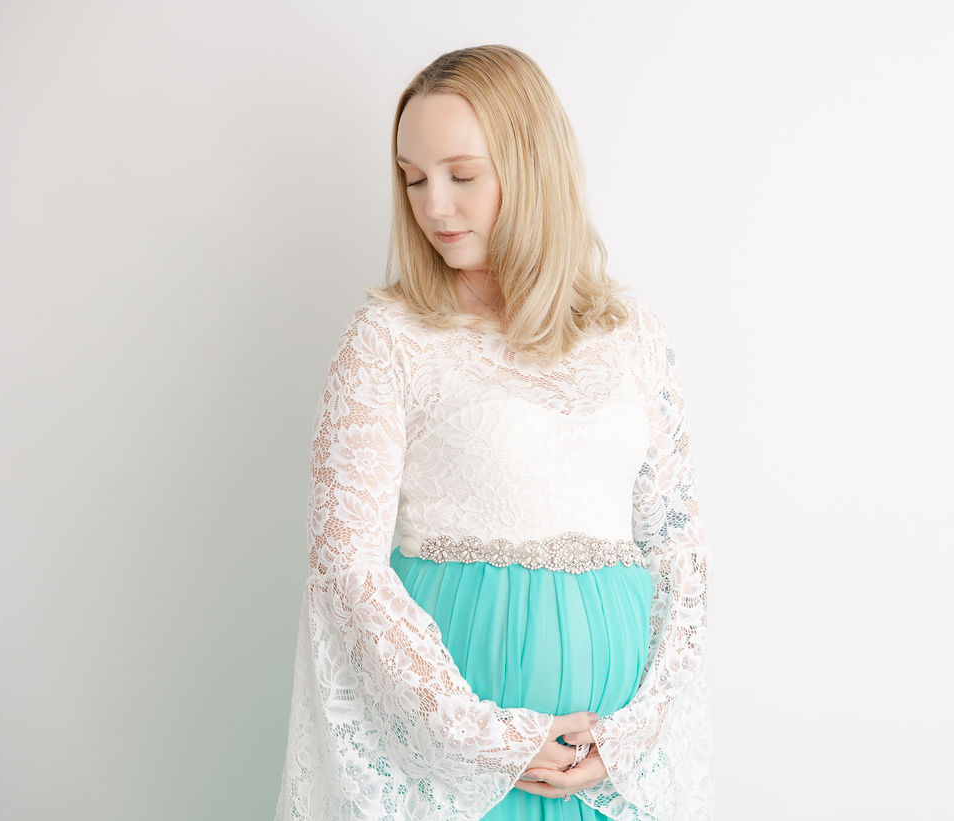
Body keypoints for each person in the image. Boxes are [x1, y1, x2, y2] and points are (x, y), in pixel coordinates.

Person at [273, 44, 714, 820]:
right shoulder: (388, 338)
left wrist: (634, 734)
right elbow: (347, 568)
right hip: (461, 755)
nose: (433, 206)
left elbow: (677, 548)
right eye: (412, 178)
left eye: (461, 175)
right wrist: (482, 737)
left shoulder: (631, 334)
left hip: (608, 755)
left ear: (532, 166)